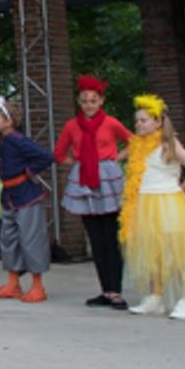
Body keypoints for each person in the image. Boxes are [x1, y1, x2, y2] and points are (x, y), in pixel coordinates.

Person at [122, 95, 185, 320]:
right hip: (145, 203)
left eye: (143, 120)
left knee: (178, 252)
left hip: (167, 203)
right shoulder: (137, 147)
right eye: (137, 121)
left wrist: (182, 188)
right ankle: (155, 297)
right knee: (152, 252)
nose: (138, 124)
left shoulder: (169, 145)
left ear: (158, 122)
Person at [54, 74, 131, 309]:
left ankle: (116, 291)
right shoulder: (71, 126)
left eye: (93, 100)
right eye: (85, 100)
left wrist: (115, 158)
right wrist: (77, 165)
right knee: (96, 239)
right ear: (79, 101)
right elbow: (58, 152)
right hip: (85, 180)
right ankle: (105, 291)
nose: (89, 105)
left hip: (107, 179)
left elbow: (133, 141)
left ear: (101, 101)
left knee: (111, 237)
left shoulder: (110, 123)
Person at [0, 95, 55, 303]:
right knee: (8, 240)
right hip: (9, 196)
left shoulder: (18, 140)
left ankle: (37, 285)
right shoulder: (4, 141)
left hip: (26, 196)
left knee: (31, 239)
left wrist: (28, 173)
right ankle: (13, 283)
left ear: (9, 121)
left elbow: (46, 156)